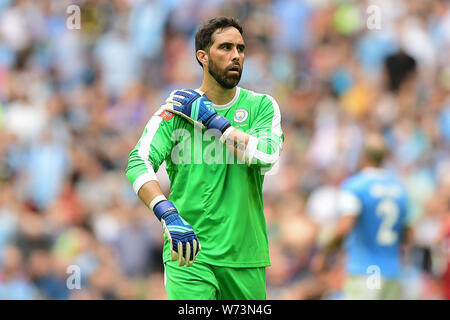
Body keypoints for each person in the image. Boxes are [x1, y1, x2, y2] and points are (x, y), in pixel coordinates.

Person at [126, 17, 284, 300]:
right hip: (188, 251)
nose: (236, 55)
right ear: (203, 56)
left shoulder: (261, 106)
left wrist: (214, 122)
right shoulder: (175, 111)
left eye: (240, 48)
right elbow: (138, 161)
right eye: (225, 47)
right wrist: (166, 212)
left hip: (244, 255)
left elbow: (268, 156)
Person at [312, 134, 412, 299]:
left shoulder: (355, 186)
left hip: (365, 270)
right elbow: (407, 233)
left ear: (363, 156)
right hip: (393, 272)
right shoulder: (400, 188)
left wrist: (324, 254)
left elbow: (345, 226)